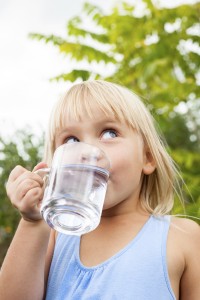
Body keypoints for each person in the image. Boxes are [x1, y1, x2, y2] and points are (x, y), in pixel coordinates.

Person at [0, 80, 199, 300]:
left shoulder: (183, 237)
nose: (88, 151)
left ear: (147, 157)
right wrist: (32, 222)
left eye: (109, 133)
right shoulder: (56, 236)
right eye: (72, 140)